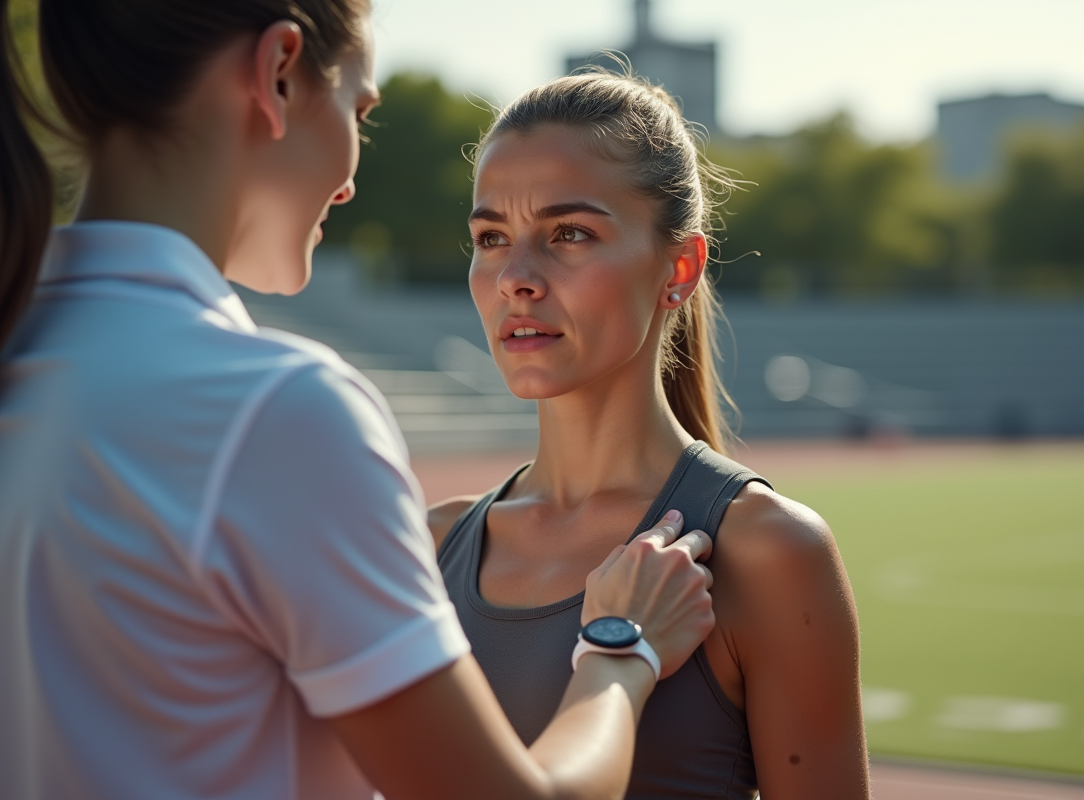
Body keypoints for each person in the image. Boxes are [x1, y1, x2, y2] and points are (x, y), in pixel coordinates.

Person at [0, 4, 719, 799]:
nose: (348, 183)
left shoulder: (26, 353)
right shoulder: (274, 413)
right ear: (278, 72)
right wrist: (623, 652)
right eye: (360, 110)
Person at [429, 72, 870, 798]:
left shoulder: (768, 552)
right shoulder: (432, 545)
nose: (515, 277)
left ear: (680, 267)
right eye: (491, 237)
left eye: (569, 233)